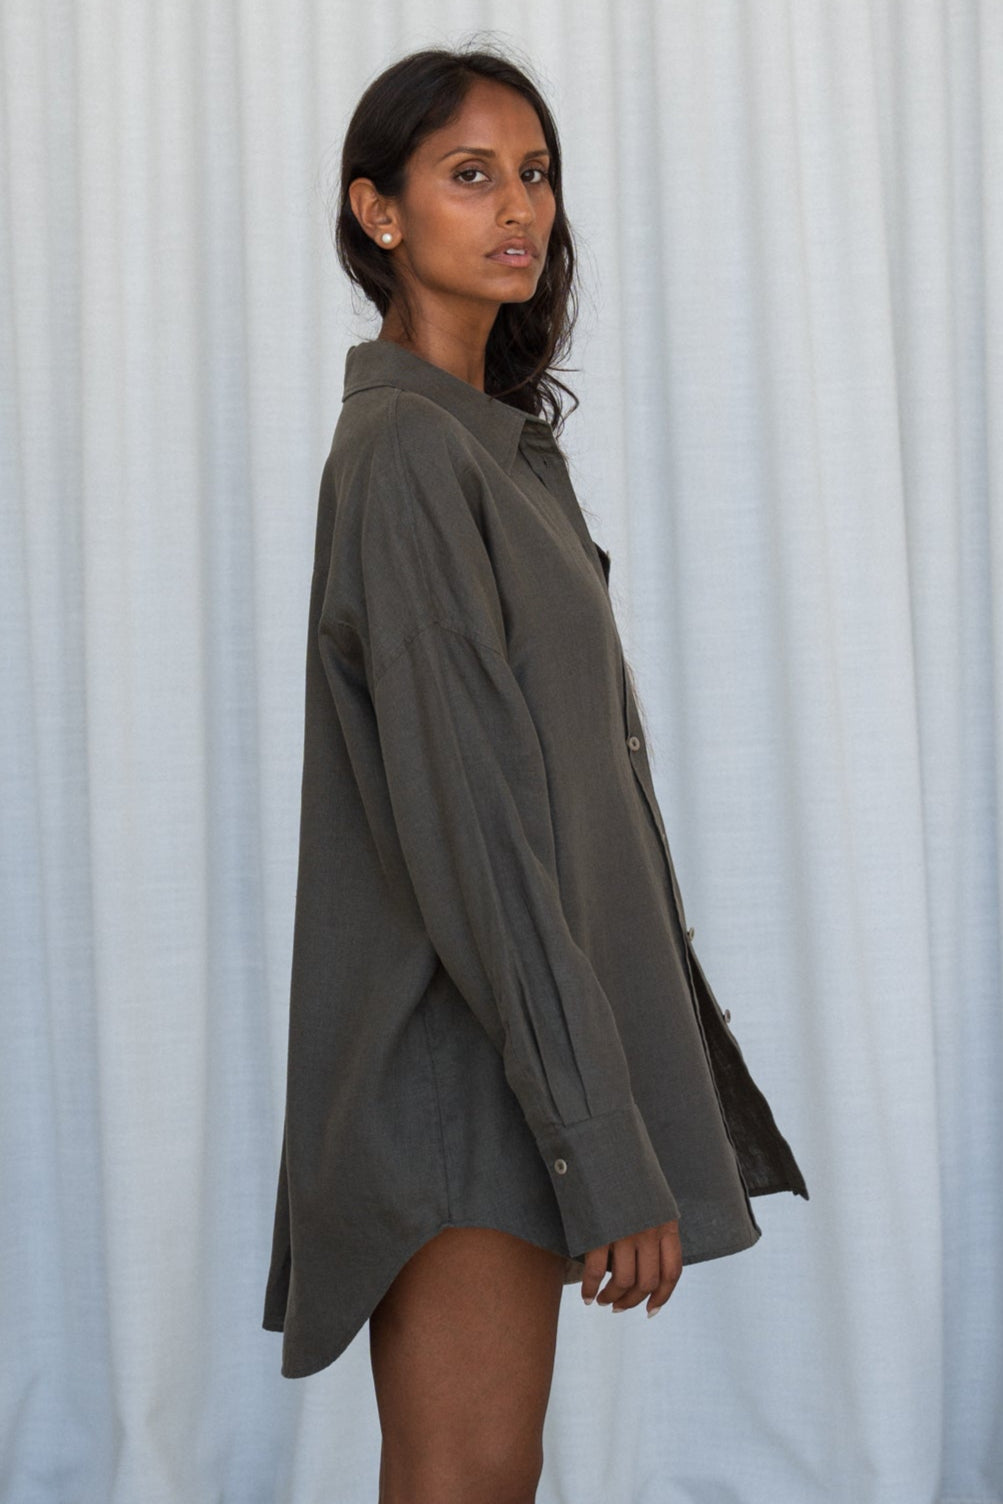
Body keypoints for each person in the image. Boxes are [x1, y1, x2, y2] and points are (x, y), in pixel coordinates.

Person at [262, 41, 809, 1504]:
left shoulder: (489, 451)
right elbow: (480, 836)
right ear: (378, 214)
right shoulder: (404, 461)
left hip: (500, 1066)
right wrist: (600, 1143)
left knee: (488, 1477)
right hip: (451, 1082)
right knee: (466, 1480)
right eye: (470, 175)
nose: (520, 208)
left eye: (537, 172)